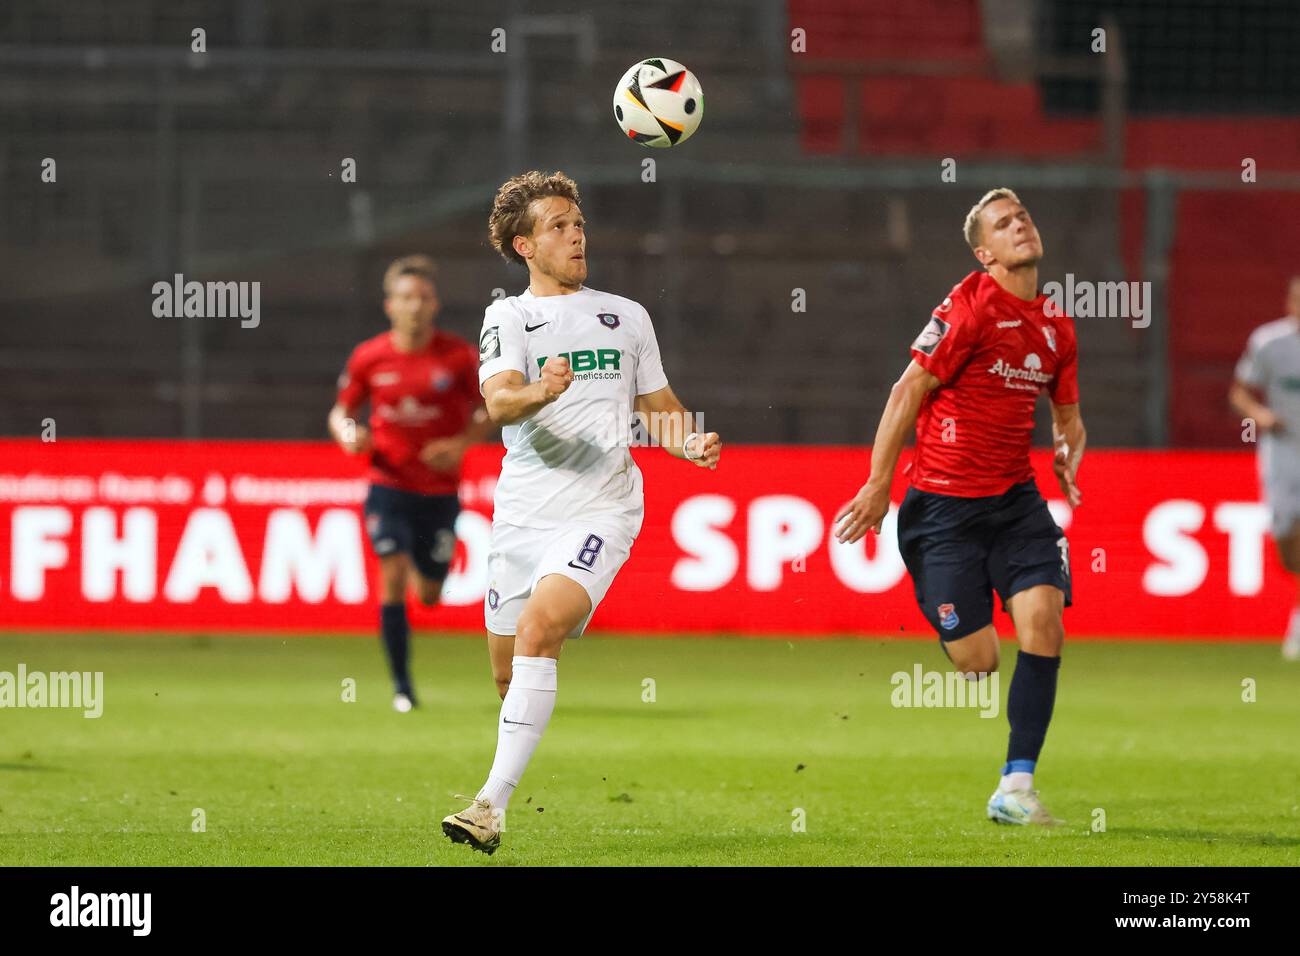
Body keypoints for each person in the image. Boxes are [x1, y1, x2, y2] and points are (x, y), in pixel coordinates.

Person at [442, 171, 721, 854]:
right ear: (525, 244)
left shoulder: (625, 315)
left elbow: (659, 408)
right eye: (560, 225)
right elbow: (500, 403)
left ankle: (489, 806)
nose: (577, 234)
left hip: (602, 507)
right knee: (508, 676)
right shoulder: (507, 317)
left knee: (541, 630)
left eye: (579, 223)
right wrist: (542, 389)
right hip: (522, 515)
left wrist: (690, 443)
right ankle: (505, 778)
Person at [835, 187, 1085, 826]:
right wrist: (876, 483)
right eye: (1004, 223)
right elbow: (907, 389)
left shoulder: (1056, 327)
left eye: (1024, 215)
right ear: (985, 251)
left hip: (1015, 503)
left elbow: (1069, 414)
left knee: (1044, 623)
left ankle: (1016, 786)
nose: (1020, 225)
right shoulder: (970, 306)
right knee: (979, 662)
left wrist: (1066, 451)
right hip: (942, 511)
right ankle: (946, 607)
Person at [328, 255, 492, 712]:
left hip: (439, 493)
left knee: (431, 594)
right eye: (405, 298)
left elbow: (491, 407)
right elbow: (342, 411)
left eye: (422, 297)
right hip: (389, 484)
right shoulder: (370, 356)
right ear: (389, 305)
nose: (414, 306)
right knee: (392, 572)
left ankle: (432, 576)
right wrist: (348, 435)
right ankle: (402, 687)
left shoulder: (457, 356)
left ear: (434, 303)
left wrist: (461, 442)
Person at [1229, 276, 1300, 661]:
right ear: (1290, 303)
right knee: (1287, 537)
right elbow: (1238, 392)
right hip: (1285, 451)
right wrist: (1260, 415)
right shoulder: (1269, 343)